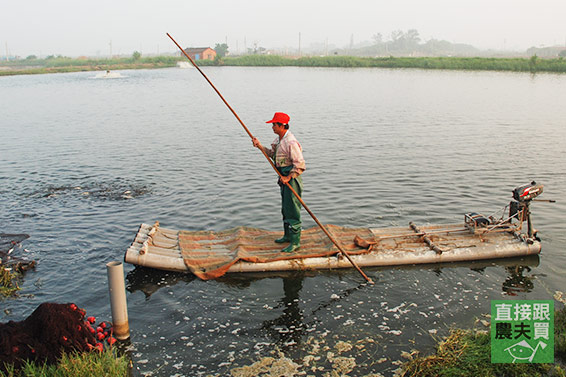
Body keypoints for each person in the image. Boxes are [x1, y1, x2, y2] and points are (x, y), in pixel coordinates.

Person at [252, 112, 305, 252]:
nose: (272, 127)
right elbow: (271, 154)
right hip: (283, 178)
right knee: (285, 208)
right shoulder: (279, 140)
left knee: (293, 209)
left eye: (274, 125)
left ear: (282, 126)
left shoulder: (291, 142)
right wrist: (259, 146)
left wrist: (288, 177)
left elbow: (300, 164)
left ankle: (295, 242)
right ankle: (287, 236)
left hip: (291, 179)